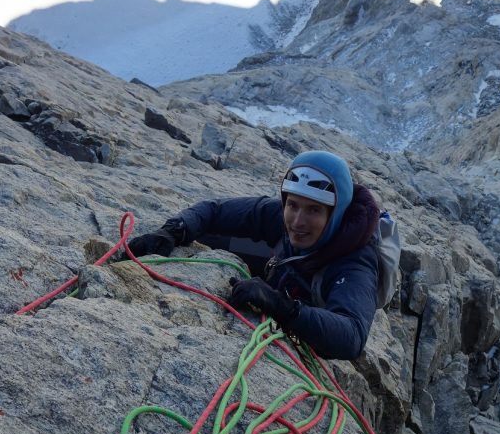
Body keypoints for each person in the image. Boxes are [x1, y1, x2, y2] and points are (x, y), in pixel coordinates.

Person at [124, 150, 381, 360]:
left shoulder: (355, 260)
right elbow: (214, 210)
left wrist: (283, 307)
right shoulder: (281, 215)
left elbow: (352, 336)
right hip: (283, 273)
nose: (298, 221)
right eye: (292, 205)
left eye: (314, 210)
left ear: (335, 214)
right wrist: (174, 231)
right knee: (207, 237)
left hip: (309, 320)